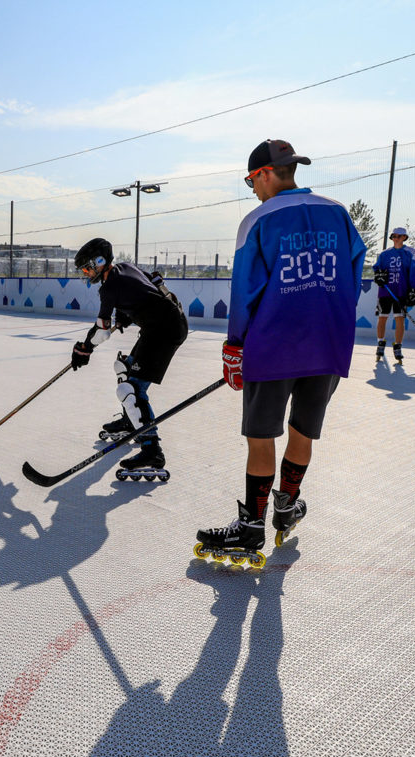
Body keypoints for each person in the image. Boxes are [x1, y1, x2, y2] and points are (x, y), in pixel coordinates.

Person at [195, 139, 366, 566]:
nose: (252, 190)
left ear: (264, 174)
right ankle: (286, 506)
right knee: (304, 432)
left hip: (272, 344)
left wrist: (234, 346)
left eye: (251, 181)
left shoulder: (258, 219)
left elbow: (244, 292)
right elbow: (355, 270)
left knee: (261, 436)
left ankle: (252, 525)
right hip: (328, 343)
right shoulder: (339, 213)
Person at [69, 238, 188, 480]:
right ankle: (130, 421)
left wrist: (84, 349)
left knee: (131, 388)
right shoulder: (124, 268)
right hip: (162, 324)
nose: (85, 273)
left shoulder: (109, 286)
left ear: (100, 263)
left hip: (163, 331)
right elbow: (152, 284)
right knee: (124, 369)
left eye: (87, 267)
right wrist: (126, 314)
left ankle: (151, 450)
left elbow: (101, 331)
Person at [373, 226, 415, 363]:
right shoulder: (384, 254)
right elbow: (377, 268)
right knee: (382, 317)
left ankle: (398, 346)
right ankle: (380, 343)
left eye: (398, 236)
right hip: (386, 291)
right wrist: (378, 276)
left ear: (404, 237)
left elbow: (414, 273)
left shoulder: (411, 253)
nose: (395, 238)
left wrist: (413, 290)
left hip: (401, 291)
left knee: (399, 319)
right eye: (393, 236)